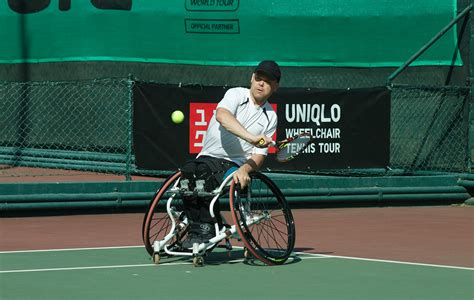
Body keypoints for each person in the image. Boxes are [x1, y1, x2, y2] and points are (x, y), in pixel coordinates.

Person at [180, 60, 281, 249]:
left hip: (233, 164)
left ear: (275, 86)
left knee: (203, 172)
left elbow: (259, 156)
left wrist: (244, 169)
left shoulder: (271, 116)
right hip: (206, 157)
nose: (261, 83)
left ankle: (205, 229)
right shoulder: (235, 94)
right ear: (252, 78)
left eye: (267, 81)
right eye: (259, 78)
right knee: (188, 170)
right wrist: (251, 138)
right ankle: (199, 227)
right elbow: (222, 116)